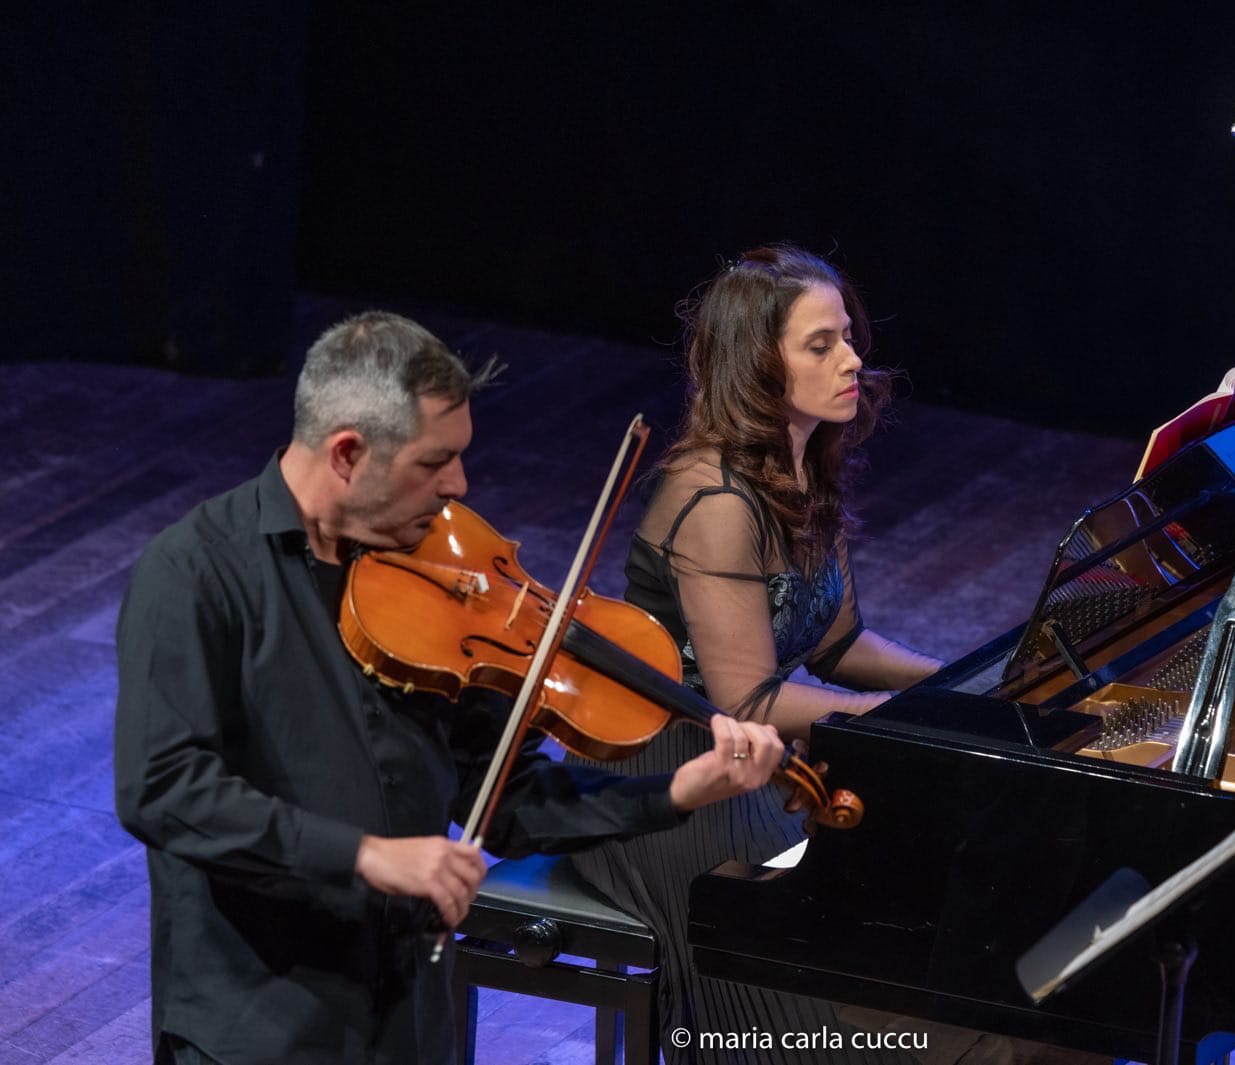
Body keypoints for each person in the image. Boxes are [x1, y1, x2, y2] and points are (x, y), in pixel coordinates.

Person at [112, 310, 786, 1065]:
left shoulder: (438, 586)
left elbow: (505, 801)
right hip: (259, 1025)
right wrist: (368, 855)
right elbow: (165, 790)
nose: (459, 485)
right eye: (434, 462)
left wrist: (676, 793)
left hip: (411, 1013)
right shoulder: (197, 573)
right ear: (346, 453)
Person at [571, 245, 949, 1064]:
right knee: (799, 985)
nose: (852, 359)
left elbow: (841, 643)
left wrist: (955, 685)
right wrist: (894, 719)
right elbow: (744, 697)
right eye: (822, 345)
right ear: (759, 366)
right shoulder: (712, 497)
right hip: (678, 769)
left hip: (760, 756)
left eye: (847, 337)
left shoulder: (806, 466)